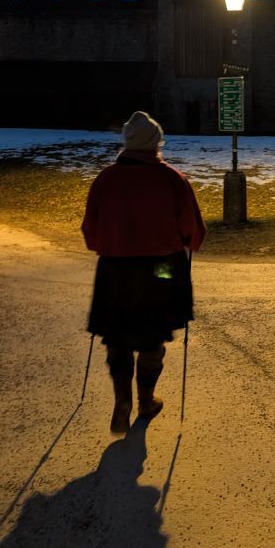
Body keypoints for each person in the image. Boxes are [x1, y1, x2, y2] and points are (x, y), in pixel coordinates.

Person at [81, 110, 206, 436]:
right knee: (154, 331)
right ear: (155, 143)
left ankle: (122, 401)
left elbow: (90, 234)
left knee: (117, 333)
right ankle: (146, 399)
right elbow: (193, 234)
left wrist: (112, 243)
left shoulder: (105, 179)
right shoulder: (172, 179)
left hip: (116, 268)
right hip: (161, 268)